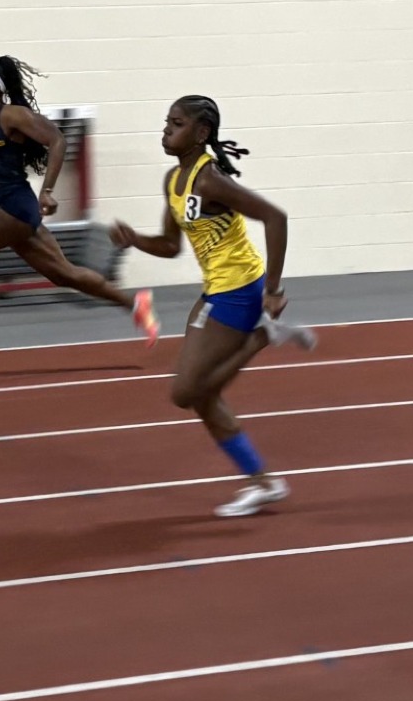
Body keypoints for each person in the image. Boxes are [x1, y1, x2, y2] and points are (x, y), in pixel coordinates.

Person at [109, 95, 314, 518]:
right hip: (217, 289)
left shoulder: (210, 180)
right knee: (202, 396)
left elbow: (276, 218)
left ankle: (262, 335)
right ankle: (263, 482)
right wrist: (135, 240)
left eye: (177, 122)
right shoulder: (174, 179)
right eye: (166, 121)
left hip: (240, 291)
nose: (166, 129)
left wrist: (273, 291)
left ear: (200, 134)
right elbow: (169, 246)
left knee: (187, 392)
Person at [0, 56, 158, 348]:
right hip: (4, 209)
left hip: (15, 207)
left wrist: (48, 190)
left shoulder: (12, 116)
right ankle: (135, 303)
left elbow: (57, 140)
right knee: (65, 275)